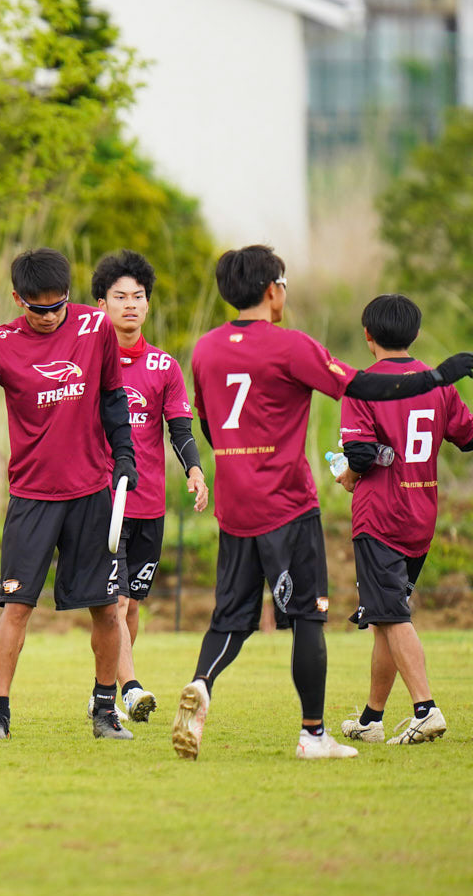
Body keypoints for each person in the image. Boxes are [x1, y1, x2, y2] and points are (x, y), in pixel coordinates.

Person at [172, 246, 473, 760]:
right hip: (290, 503)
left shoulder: (204, 350)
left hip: (236, 504)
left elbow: (207, 423)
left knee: (231, 617)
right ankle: (314, 735)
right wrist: (438, 377)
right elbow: (362, 384)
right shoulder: (292, 346)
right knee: (309, 618)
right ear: (273, 291)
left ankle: (202, 683)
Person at [0, 248, 138, 741]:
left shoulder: (96, 327)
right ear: (18, 299)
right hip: (32, 496)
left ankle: (105, 710)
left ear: (69, 296)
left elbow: (113, 397)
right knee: (16, 607)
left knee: (107, 608)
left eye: (57, 306)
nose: (49, 316)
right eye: (38, 308)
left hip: (91, 492)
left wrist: (125, 456)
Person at [333, 294, 473, 745]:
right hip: (421, 515)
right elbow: (468, 437)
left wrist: (348, 475)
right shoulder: (439, 384)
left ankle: (425, 709)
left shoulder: (364, 385)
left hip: (380, 517)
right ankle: (371, 719)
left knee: (391, 615)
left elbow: (360, 455)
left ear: (368, 335)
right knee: (385, 616)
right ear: (415, 334)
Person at [91, 250, 209, 722]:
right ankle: (130, 689)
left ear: (147, 303)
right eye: (120, 297)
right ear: (101, 304)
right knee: (115, 602)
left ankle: (103, 691)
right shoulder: (88, 363)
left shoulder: (165, 366)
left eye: (138, 296)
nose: (130, 305)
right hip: (104, 502)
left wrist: (195, 471)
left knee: (132, 606)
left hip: (150, 505)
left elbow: (180, 429)